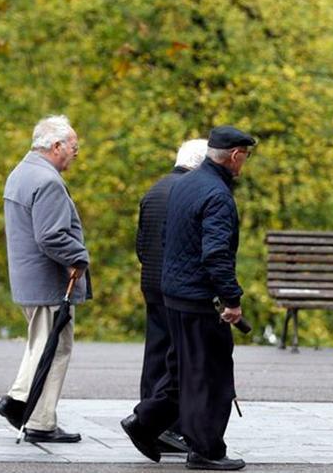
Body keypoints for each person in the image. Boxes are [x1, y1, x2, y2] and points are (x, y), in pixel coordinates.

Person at [121, 126, 255, 471]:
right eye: (246, 156)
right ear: (236, 156)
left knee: (182, 372)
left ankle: (145, 422)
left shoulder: (183, 186)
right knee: (212, 376)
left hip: (173, 295)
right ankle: (206, 450)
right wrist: (232, 300)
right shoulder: (218, 195)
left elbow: (165, 240)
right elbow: (216, 255)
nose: (245, 164)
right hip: (198, 299)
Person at [0, 115, 91, 443]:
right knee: (55, 348)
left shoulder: (21, 173)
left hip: (29, 280)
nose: (76, 153)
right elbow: (51, 236)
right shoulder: (47, 180)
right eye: (74, 147)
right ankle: (38, 419)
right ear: (56, 146)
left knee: (41, 344)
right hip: (48, 282)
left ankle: (21, 403)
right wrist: (79, 257)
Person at [135, 138, 209, 453]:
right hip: (177, 288)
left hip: (151, 282)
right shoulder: (190, 193)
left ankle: (148, 422)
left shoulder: (154, 190)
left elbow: (141, 242)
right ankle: (168, 427)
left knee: (155, 354)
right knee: (180, 359)